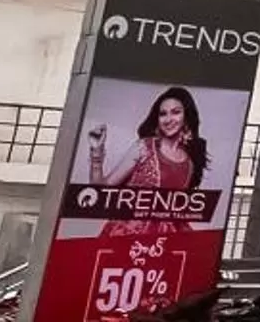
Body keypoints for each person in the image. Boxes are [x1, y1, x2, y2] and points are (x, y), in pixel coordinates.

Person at [85, 87, 210, 236]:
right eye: (163, 114)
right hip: (127, 235)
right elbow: (100, 190)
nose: (169, 119)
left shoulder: (190, 163)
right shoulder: (144, 147)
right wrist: (96, 153)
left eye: (176, 112)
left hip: (166, 241)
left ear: (186, 117)